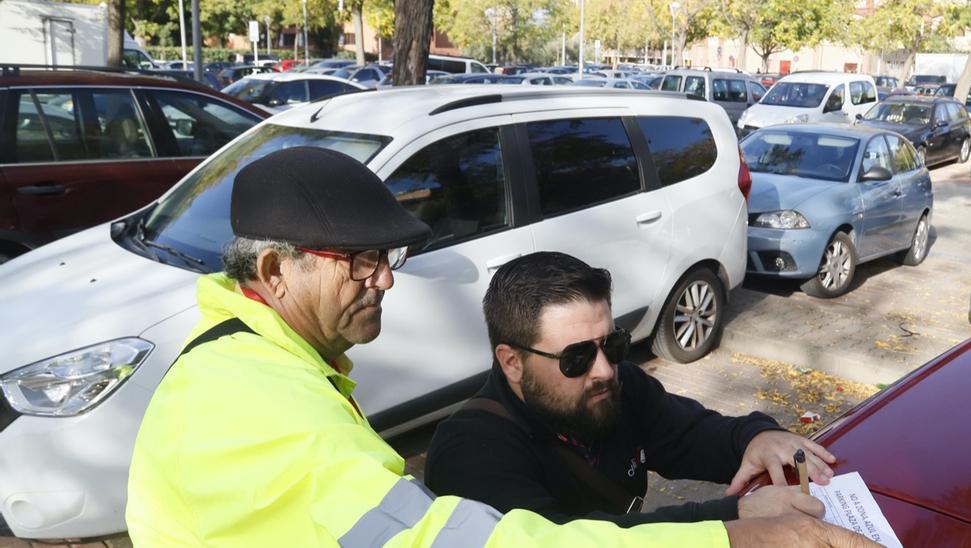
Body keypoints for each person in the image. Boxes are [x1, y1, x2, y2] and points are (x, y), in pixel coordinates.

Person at [125, 147, 873, 547]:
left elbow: (690, 430)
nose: (384, 280)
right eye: (359, 261)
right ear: (272, 271)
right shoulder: (256, 406)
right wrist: (733, 531)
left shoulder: (272, 369)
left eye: (389, 258)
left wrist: (760, 436)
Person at [425, 252, 840, 528]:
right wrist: (734, 517)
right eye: (576, 359)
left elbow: (687, 435)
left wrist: (755, 438)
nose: (605, 370)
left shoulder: (617, 387)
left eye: (612, 343)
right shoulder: (469, 454)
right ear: (512, 362)